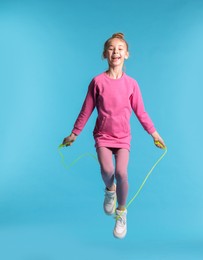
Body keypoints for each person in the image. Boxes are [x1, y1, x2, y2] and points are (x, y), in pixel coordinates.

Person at [62, 32, 166, 239]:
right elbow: (86, 109)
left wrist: (154, 134)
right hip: (102, 136)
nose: (115, 51)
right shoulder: (97, 82)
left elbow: (141, 112)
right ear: (104, 55)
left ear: (126, 54)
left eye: (120, 48)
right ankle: (110, 190)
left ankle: (121, 212)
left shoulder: (132, 84)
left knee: (122, 173)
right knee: (107, 170)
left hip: (123, 138)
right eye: (111, 48)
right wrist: (74, 134)